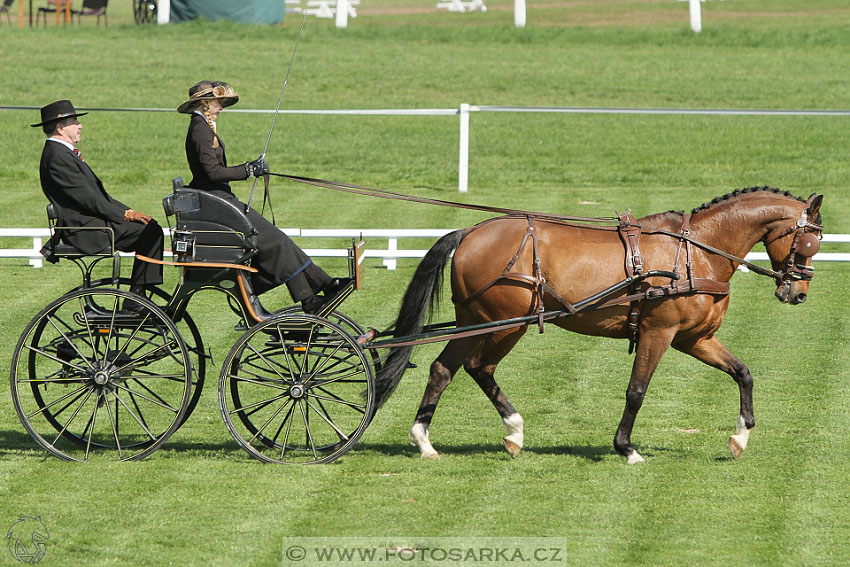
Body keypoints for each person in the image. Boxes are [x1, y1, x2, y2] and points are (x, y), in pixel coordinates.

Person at [178, 80, 343, 317]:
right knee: (274, 241)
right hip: (216, 202)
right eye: (217, 102)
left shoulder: (204, 126)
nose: (221, 107)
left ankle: (321, 287)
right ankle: (315, 293)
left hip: (220, 199)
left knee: (277, 240)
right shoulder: (199, 129)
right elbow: (211, 173)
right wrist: (248, 170)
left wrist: (250, 168)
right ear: (204, 102)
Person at [33, 100, 164, 308]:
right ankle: (136, 298)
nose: (80, 125)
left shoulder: (62, 153)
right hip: (85, 228)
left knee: (151, 228)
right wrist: (124, 215)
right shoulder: (57, 156)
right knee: (151, 232)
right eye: (74, 121)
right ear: (60, 127)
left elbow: (98, 196)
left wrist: (127, 211)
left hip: (91, 220)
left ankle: (139, 295)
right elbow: (88, 199)